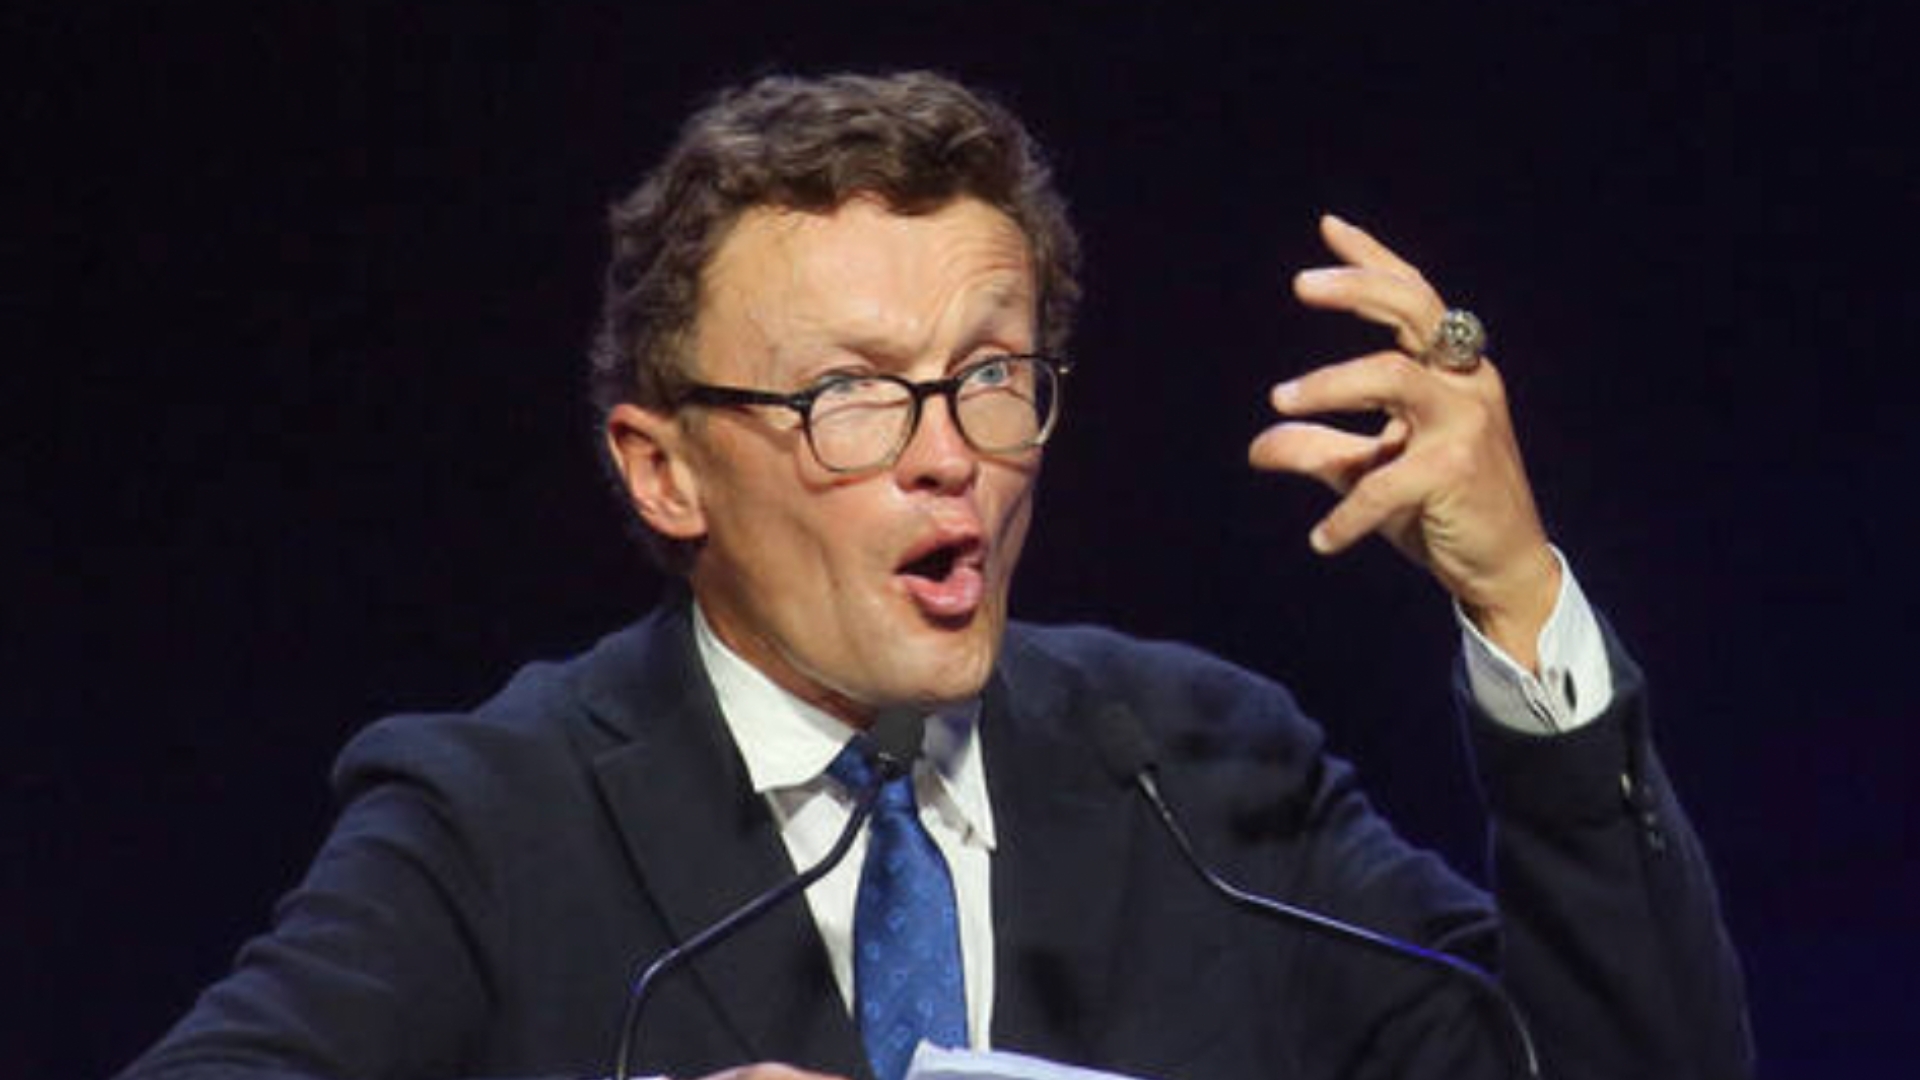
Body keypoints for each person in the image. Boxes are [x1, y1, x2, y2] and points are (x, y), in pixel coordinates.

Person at [118, 71, 1753, 1080]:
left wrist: (1519, 598)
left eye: (990, 375)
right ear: (665, 468)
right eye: (849, 395)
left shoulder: (1203, 771)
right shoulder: (494, 821)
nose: (947, 454)